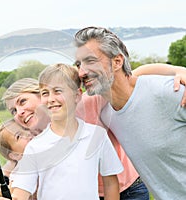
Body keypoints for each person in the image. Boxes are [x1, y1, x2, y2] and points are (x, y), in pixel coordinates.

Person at [74, 26, 186, 199]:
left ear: (117, 62)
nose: (81, 72)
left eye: (90, 61)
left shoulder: (170, 92)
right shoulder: (106, 113)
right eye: (79, 64)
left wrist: (179, 71)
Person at [8, 63, 123, 200]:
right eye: (45, 93)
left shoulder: (97, 135)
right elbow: (21, 193)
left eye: (58, 91)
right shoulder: (35, 147)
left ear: (77, 95)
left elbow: (110, 183)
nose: (51, 99)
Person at [0, 119, 35, 198]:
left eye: (26, 129)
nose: (28, 134)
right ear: (15, 155)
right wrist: (12, 190)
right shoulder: (21, 170)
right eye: (18, 136)